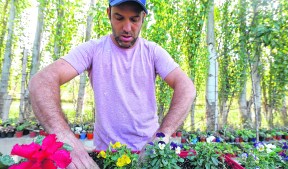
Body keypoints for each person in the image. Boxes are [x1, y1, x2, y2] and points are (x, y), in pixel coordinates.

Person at [29, 0, 196, 168]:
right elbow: (41, 81)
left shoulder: (152, 52)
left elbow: (186, 88)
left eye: (134, 19)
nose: (127, 28)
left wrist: (162, 135)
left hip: (147, 154)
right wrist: (65, 137)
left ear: (143, 18)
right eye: (119, 18)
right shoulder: (93, 50)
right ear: (108, 14)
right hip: (105, 156)